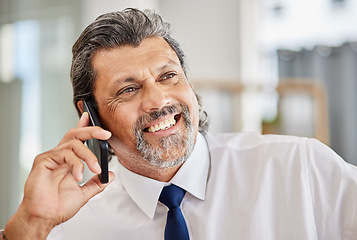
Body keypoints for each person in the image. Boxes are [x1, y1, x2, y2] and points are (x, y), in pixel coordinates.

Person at [2, 8, 357, 240]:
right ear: (90, 114)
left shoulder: (300, 168)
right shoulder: (65, 225)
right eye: (128, 89)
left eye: (169, 76)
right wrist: (30, 226)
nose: (158, 101)